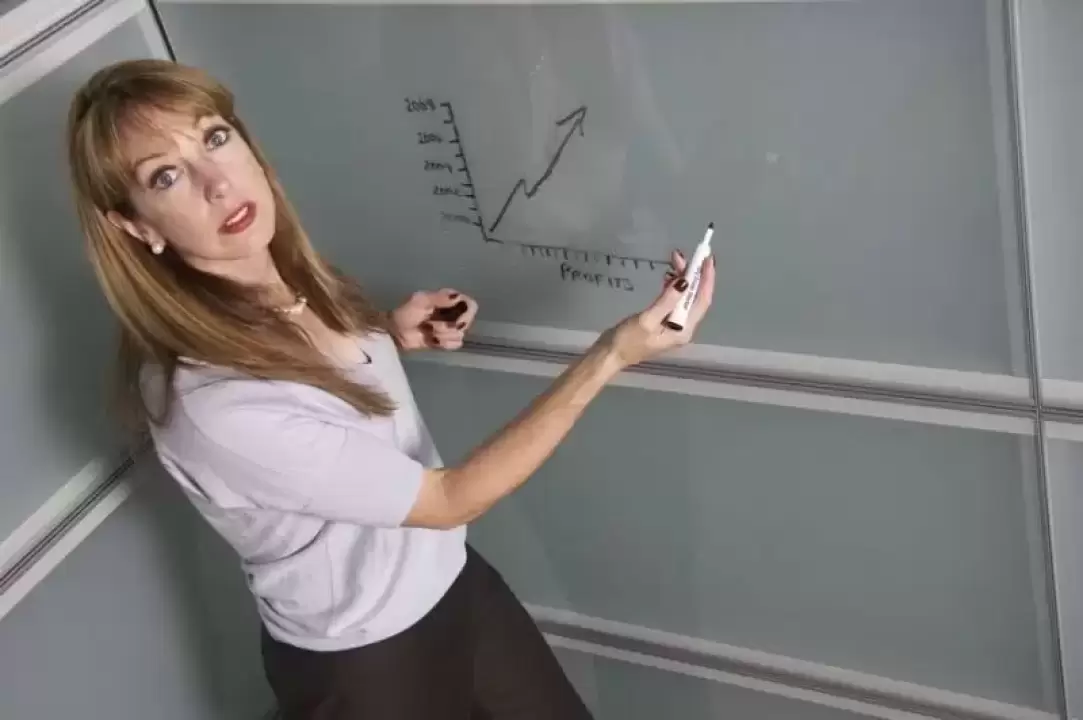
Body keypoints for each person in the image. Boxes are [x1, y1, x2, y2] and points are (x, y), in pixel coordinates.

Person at [65, 58, 714, 720]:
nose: (217, 182)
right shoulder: (210, 405)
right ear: (137, 226)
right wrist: (612, 354)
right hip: (365, 662)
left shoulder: (288, 282)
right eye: (166, 176)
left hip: (451, 581)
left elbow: (311, 390)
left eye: (214, 137)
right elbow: (449, 498)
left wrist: (387, 333)